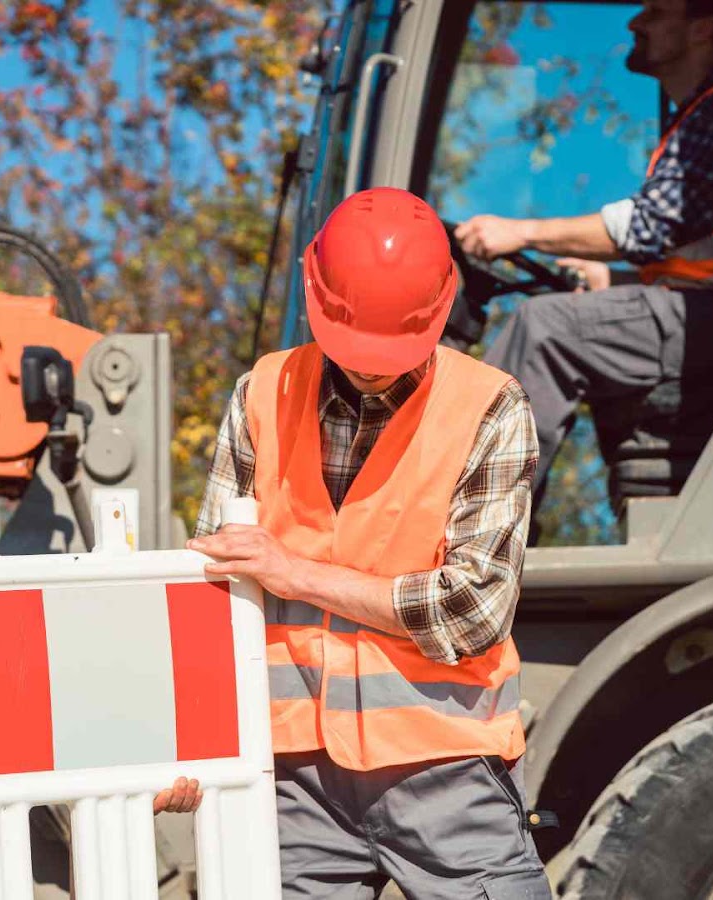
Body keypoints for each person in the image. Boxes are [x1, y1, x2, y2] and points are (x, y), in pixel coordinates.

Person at [157, 187, 551, 900]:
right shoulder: (260, 395)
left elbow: (471, 612)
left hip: (444, 767)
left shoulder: (491, 406)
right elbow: (213, 596)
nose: (371, 365)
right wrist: (186, 743)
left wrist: (294, 573)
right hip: (292, 780)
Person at [453, 0, 713, 510]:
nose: (634, 23)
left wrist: (522, 231)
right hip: (698, 312)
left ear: (703, 29)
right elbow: (691, 245)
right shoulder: (697, 117)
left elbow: (650, 224)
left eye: (657, 12)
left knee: (544, 330)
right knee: (565, 320)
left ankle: (473, 530)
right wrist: (616, 281)